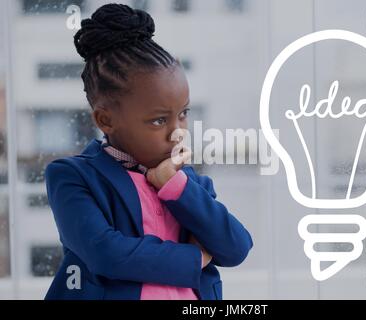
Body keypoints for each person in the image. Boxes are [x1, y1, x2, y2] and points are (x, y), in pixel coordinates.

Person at [44, 3, 253, 300]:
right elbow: (106, 254)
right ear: (106, 120)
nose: (177, 131)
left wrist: (174, 185)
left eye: (183, 113)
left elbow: (235, 248)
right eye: (158, 120)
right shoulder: (72, 176)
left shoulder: (189, 183)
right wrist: (195, 258)